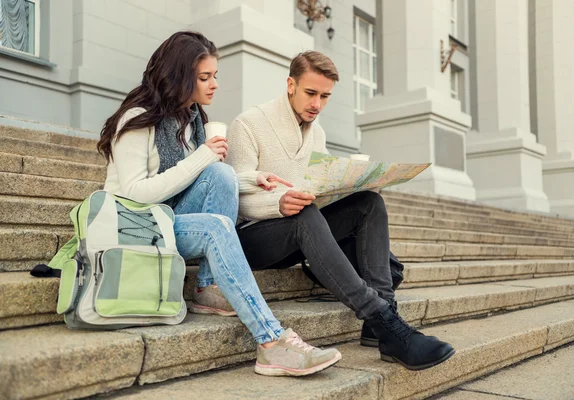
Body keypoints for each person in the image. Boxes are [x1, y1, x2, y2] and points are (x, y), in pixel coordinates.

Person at [97, 32, 341, 377]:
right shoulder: (138, 120)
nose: (214, 85)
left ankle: (207, 288)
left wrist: (252, 179)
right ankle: (272, 342)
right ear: (180, 76)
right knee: (218, 222)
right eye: (204, 77)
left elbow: (195, 178)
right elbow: (136, 194)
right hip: (135, 227)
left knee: (224, 174)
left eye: (215, 75)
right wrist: (202, 158)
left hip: (167, 220)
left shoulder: (193, 121)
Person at [226, 50, 455, 371]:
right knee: (303, 213)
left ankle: (385, 319)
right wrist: (277, 203)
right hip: (252, 237)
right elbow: (233, 194)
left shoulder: (316, 132)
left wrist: (349, 188)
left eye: (325, 96)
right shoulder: (248, 124)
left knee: (367, 203)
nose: (317, 104)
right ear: (290, 84)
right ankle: (387, 325)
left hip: (299, 229)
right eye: (310, 93)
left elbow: (317, 183)